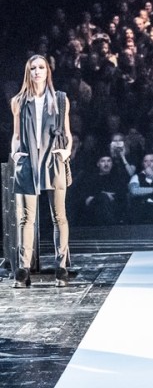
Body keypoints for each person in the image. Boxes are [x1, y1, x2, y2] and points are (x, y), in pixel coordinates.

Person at [10, 55, 73, 288]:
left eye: (41, 67)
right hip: (28, 161)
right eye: (33, 68)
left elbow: (67, 133)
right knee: (27, 218)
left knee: (59, 216)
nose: (37, 71)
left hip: (53, 159)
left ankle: (61, 267)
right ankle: (23, 269)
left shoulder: (60, 99)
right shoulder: (19, 101)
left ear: (48, 71)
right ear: (28, 72)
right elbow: (16, 135)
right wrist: (16, 154)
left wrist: (66, 151)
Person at [80, 154, 128, 226]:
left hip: (114, 207)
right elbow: (87, 200)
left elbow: (123, 196)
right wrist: (103, 195)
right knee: (103, 198)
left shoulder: (117, 179)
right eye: (103, 161)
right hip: (96, 208)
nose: (106, 164)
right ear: (98, 164)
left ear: (112, 164)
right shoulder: (91, 180)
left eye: (109, 161)